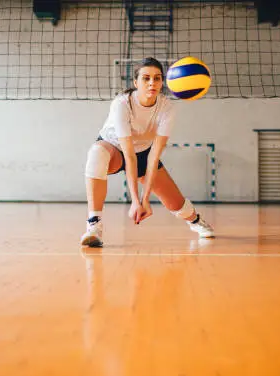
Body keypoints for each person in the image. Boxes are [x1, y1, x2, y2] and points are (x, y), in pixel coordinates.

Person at [80, 57, 214, 247]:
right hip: (114, 149)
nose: (152, 83)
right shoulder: (122, 103)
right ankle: (94, 225)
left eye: (157, 78)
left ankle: (195, 221)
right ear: (136, 83)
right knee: (96, 154)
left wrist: (145, 200)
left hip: (144, 152)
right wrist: (135, 200)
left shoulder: (167, 108)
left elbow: (153, 157)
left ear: (162, 82)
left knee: (176, 204)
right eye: (146, 78)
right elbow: (128, 157)